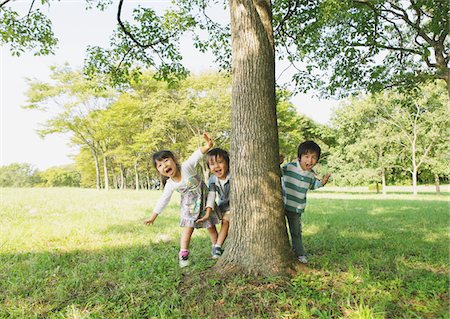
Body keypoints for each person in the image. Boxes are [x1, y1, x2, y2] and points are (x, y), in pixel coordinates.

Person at [144, 133, 220, 268]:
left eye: (166, 161)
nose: (164, 165)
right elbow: (163, 200)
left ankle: (216, 248)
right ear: (159, 171)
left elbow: (197, 155)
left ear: (174, 160)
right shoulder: (170, 184)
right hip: (189, 207)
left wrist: (208, 146)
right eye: (160, 165)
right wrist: (152, 217)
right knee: (187, 231)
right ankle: (183, 254)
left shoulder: (186, 167)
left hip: (204, 202)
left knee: (211, 227)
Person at [281, 141, 331, 264]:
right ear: (300, 157)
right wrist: (277, 163)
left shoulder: (311, 174)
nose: (310, 160)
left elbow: (313, 185)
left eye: (314, 157)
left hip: (296, 208)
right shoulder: (290, 167)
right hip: (282, 205)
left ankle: (299, 254)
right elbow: (277, 173)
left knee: (296, 232)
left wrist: (322, 183)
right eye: (307, 156)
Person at [196, 148, 230, 259]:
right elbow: (211, 196)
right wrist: (207, 213)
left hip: (234, 206)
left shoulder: (233, 175)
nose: (216, 166)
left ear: (228, 163)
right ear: (209, 168)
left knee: (226, 222)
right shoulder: (212, 179)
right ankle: (214, 243)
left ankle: (217, 247)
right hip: (222, 205)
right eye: (212, 164)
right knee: (209, 219)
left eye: (220, 162)